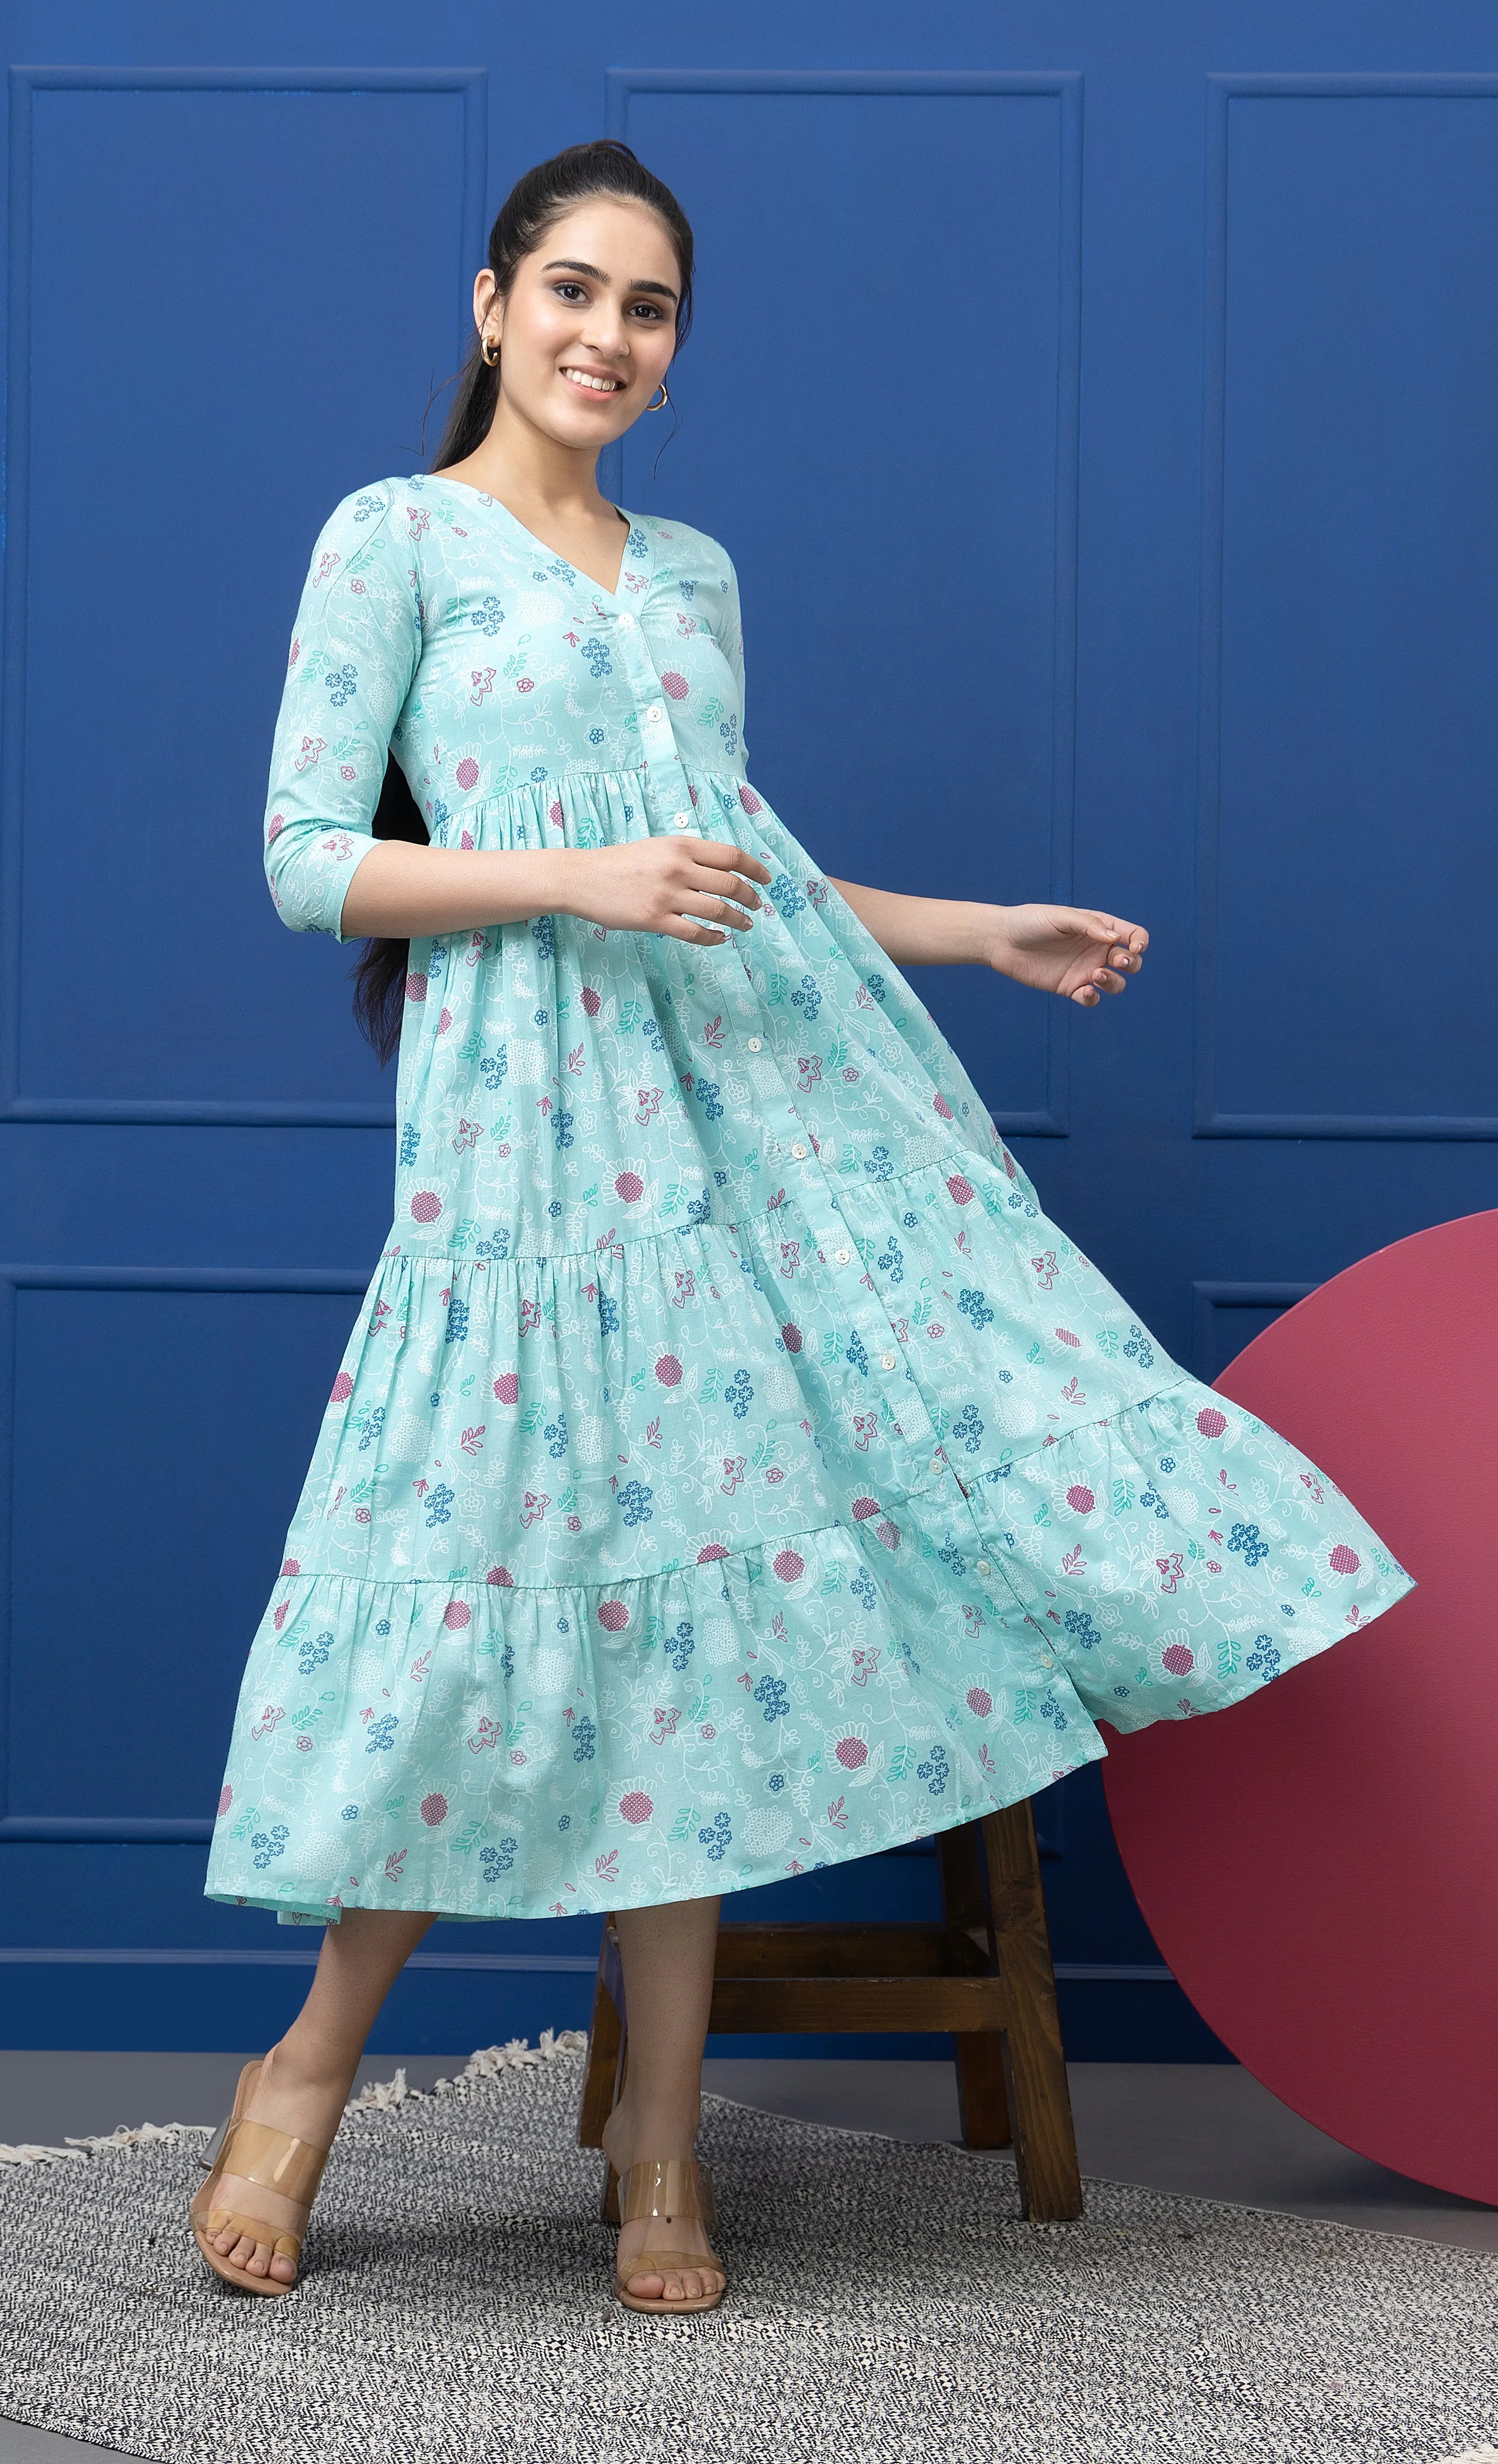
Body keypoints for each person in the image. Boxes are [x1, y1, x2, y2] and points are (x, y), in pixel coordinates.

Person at [194, 138, 1414, 2315]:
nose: (604, 336)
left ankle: (662, 2146)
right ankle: (300, 2078)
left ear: (676, 354)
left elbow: (736, 870)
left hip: (714, 1158)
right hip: (515, 1164)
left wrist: (977, 933)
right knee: (469, 1588)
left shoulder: (692, 578)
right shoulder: (399, 543)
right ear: (491, 305)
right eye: (570, 290)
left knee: (675, 1640)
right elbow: (308, 856)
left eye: (647, 310)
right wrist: (568, 876)